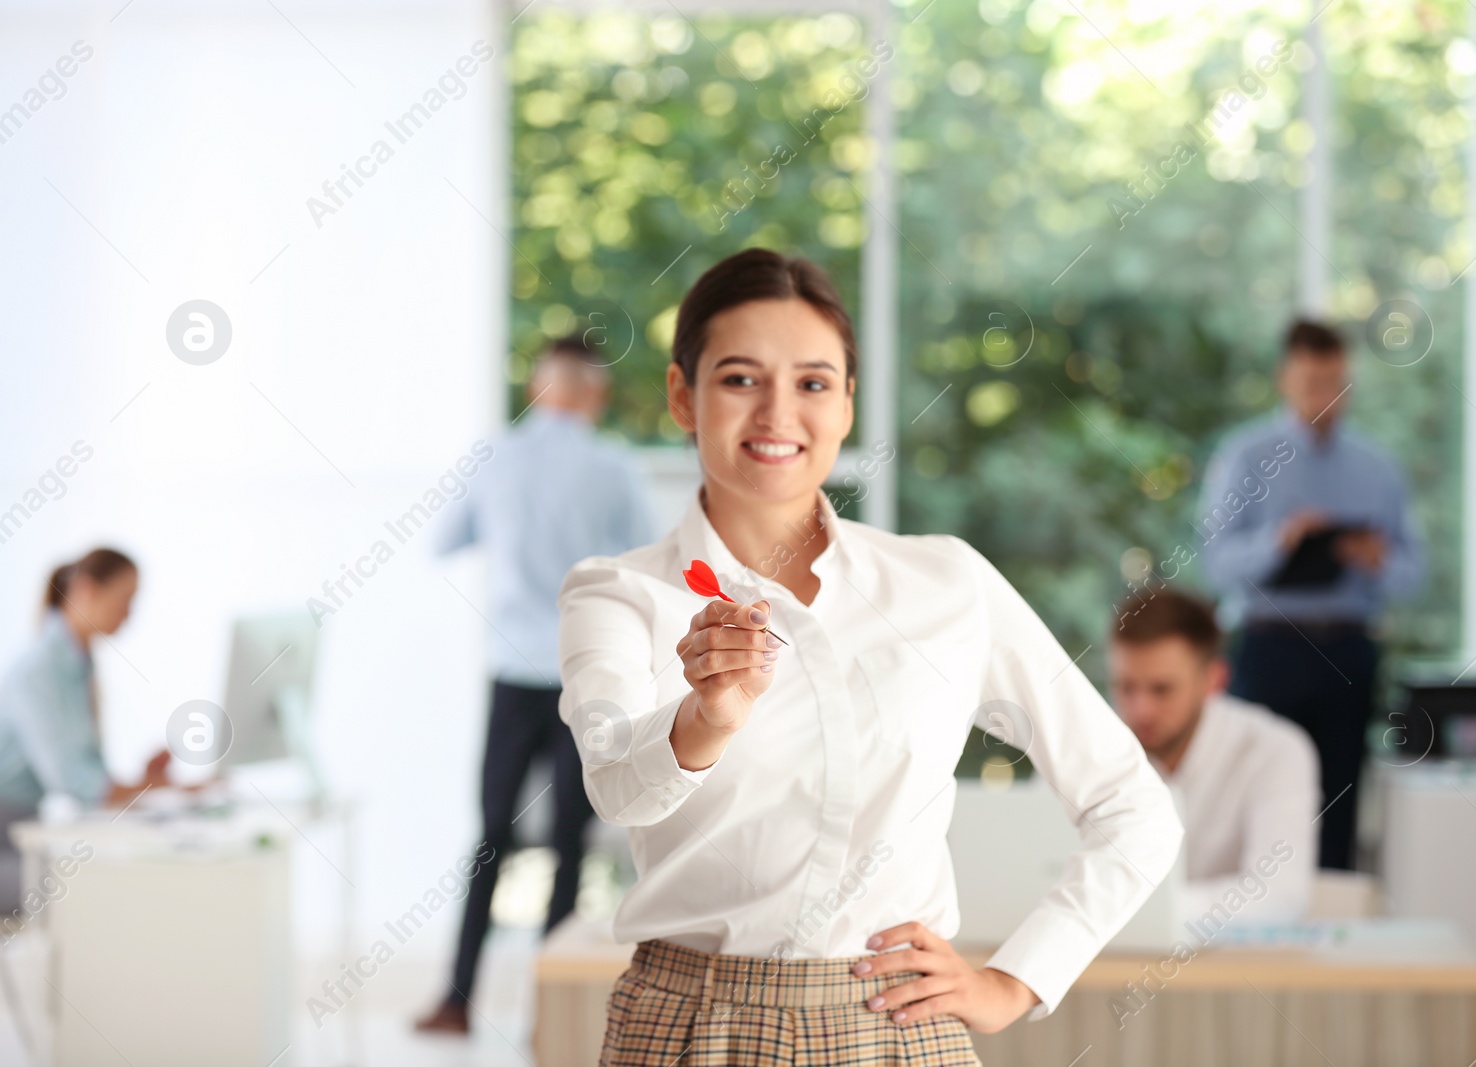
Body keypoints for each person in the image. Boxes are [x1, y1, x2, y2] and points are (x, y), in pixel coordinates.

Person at [556, 248, 1183, 1066]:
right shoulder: (618, 593)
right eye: (741, 379)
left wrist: (1015, 980)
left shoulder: (945, 581)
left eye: (813, 382)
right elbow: (612, 782)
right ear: (684, 395)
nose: (779, 413)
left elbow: (1132, 806)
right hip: (690, 1027)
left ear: (848, 404)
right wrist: (704, 719)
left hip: (893, 1026)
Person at [416, 335, 657, 1035]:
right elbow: (642, 561)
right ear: (596, 395)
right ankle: (547, 1015)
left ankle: (456, 999)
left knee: (492, 832)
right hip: (585, 674)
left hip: (512, 671)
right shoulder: (613, 467)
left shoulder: (495, 456)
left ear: (536, 390)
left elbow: (444, 541)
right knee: (570, 840)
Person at [1197, 319, 1424, 871]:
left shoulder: (1377, 467)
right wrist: (1280, 542)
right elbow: (1214, 564)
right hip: (1270, 650)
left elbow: (1414, 573)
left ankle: (1330, 937)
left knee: (1338, 804)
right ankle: (1251, 927)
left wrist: (1377, 560)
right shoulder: (1244, 456)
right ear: (1285, 379)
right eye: (1311, 382)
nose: (1325, 396)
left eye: (1336, 382)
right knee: (1256, 798)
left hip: (1347, 651)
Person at [1108, 588, 1319, 926]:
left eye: (1161, 689)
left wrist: (1125, 911)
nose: (1141, 710)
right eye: (1126, 687)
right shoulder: (1088, 746)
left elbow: (1280, 896)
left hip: (1232, 973)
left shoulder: (1274, 749)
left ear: (1214, 679)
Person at [0, 549, 175, 909]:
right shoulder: (39, 670)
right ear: (86, 590)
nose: (129, 615)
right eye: (125, 600)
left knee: (122, 875)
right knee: (92, 891)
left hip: (21, 831)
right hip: (9, 840)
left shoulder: (80, 666)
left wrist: (144, 782)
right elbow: (76, 783)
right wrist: (149, 789)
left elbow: (88, 776)